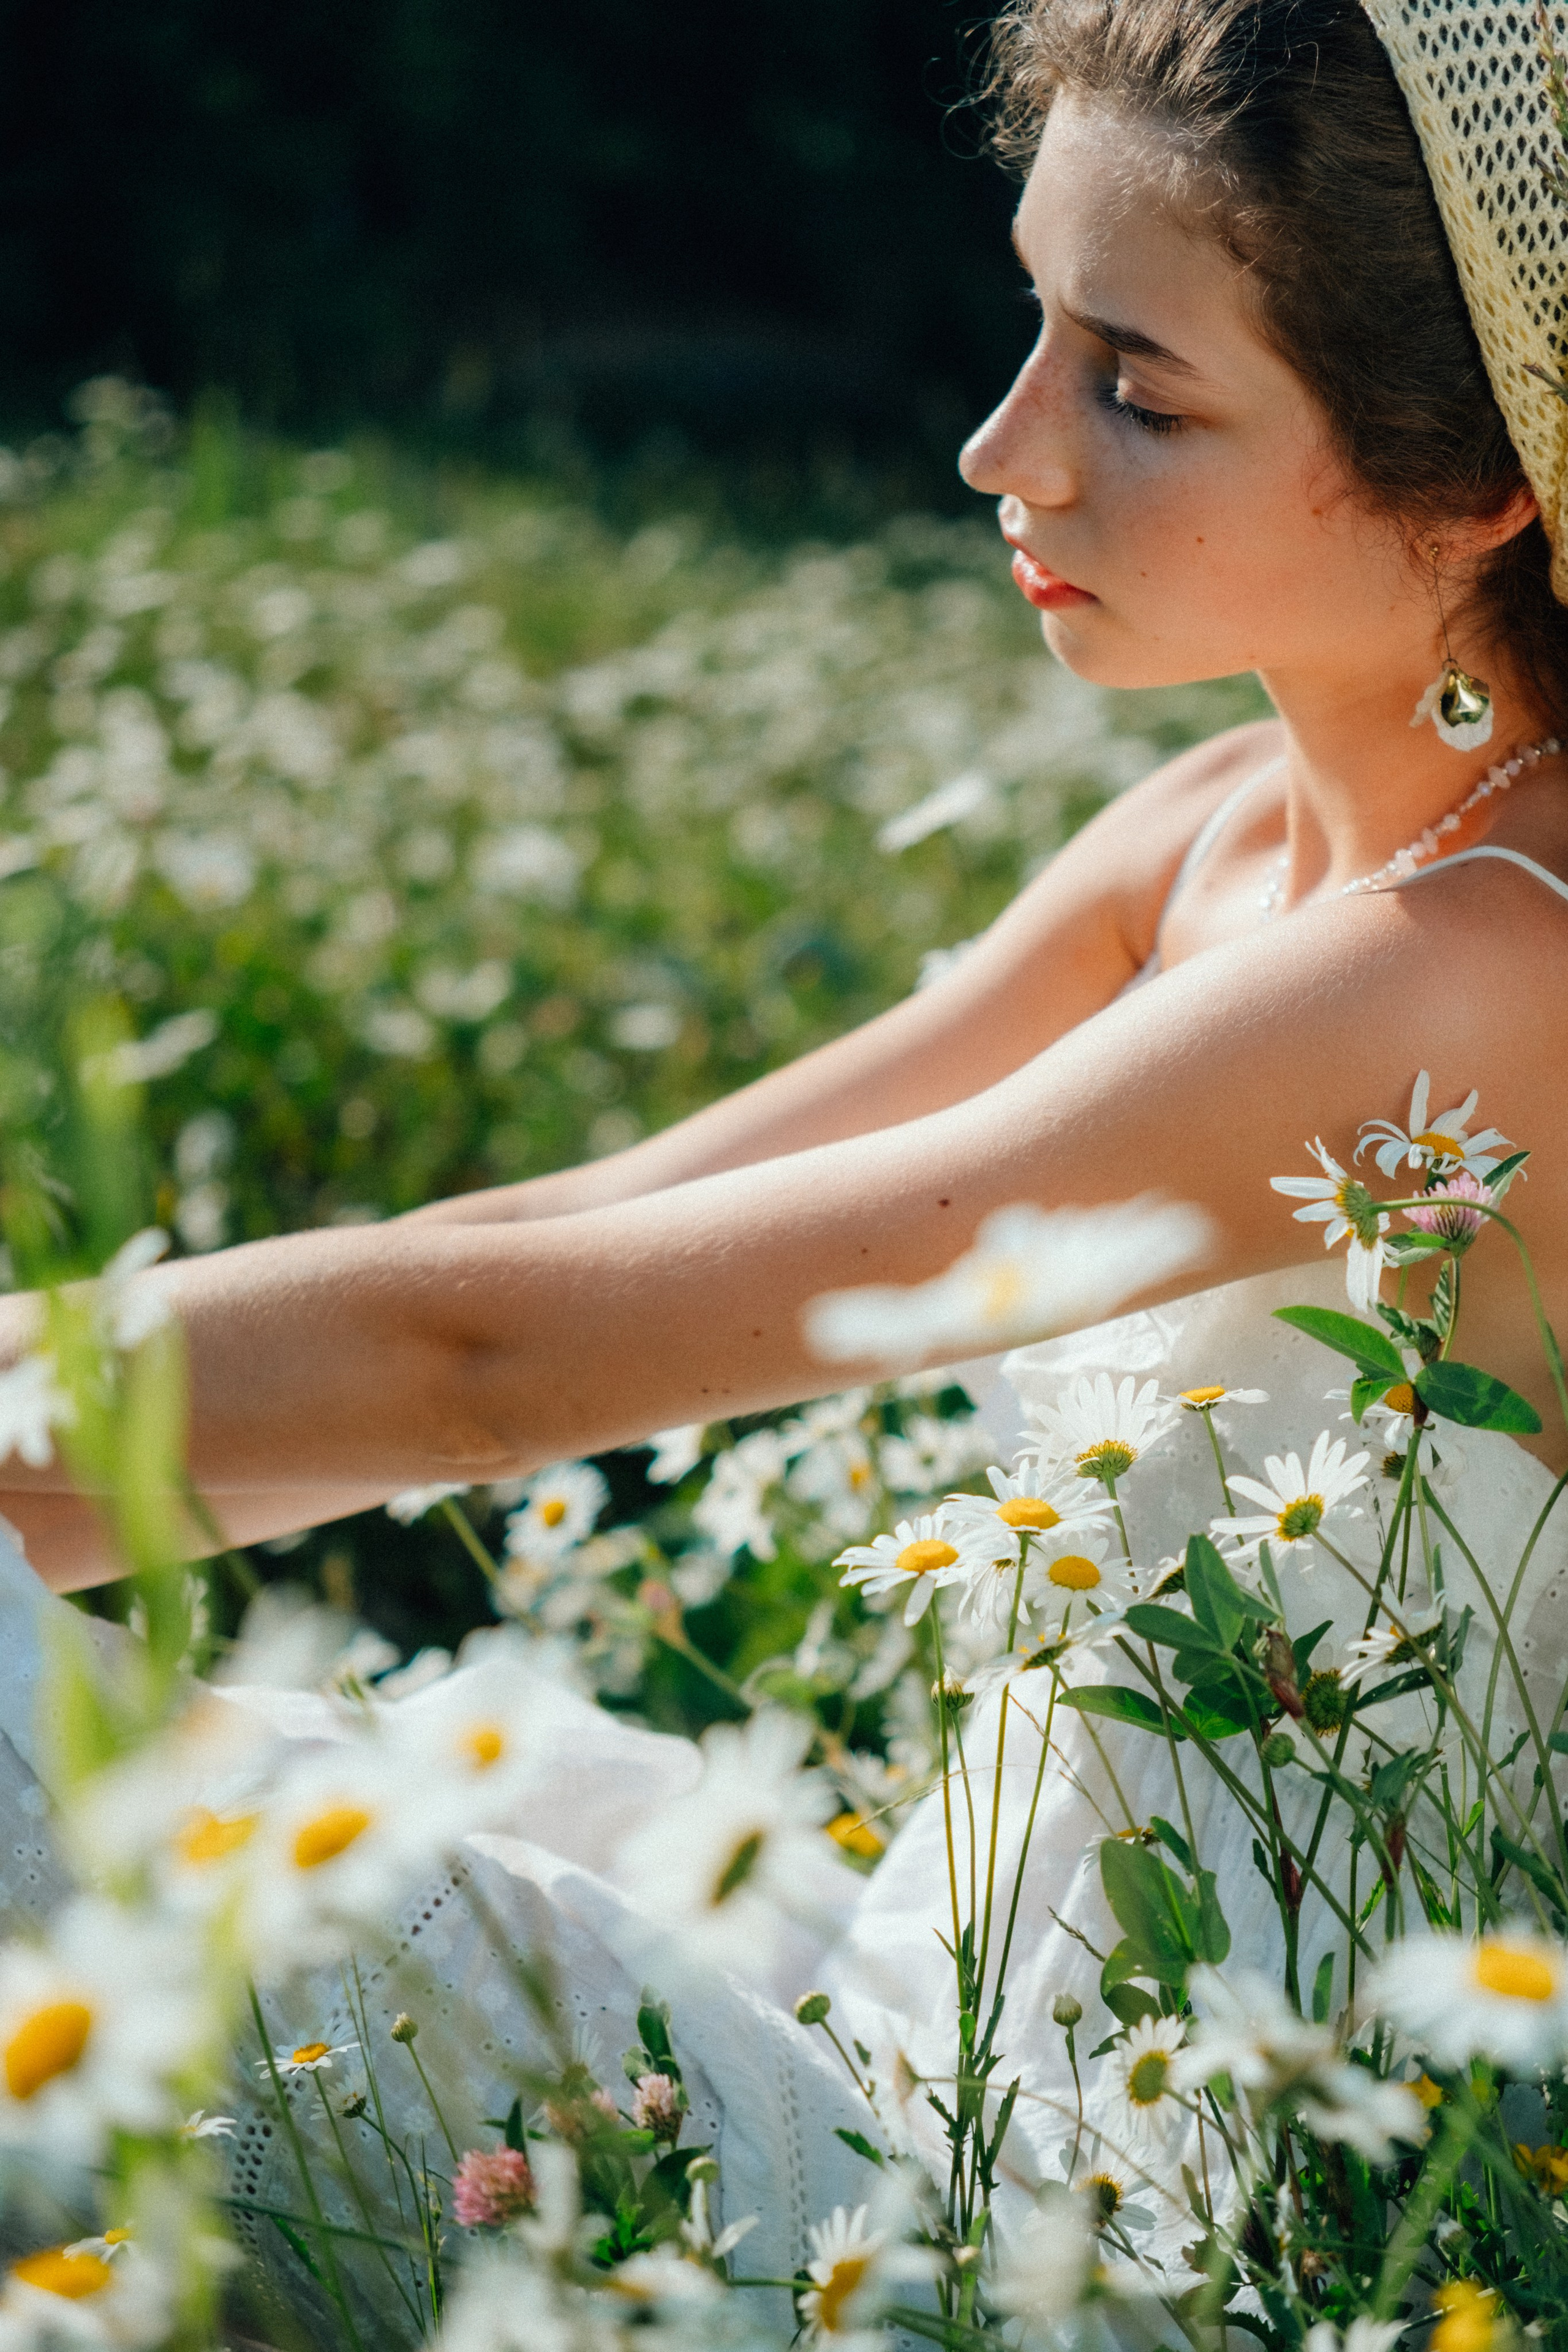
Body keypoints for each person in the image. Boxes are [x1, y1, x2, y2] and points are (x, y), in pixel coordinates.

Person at [3, 0, 1568, 2324]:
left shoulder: (1474, 979)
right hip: (901, 1998)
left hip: (1077, 2219)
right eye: (1034, 325)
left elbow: (494, 1369)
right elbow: (558, 1236)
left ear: (1480, 489)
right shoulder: (1226, 838)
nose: (998, 448)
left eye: (1137, 390)